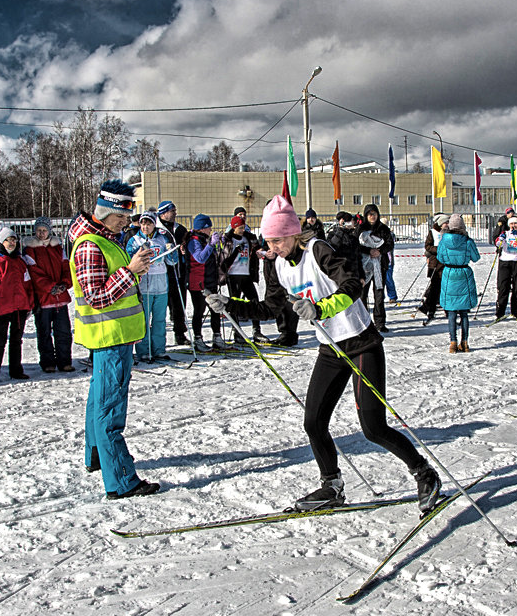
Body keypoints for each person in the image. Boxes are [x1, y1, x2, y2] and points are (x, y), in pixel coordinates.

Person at [207, 195, 440, 512]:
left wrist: (319, 307)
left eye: (277, 240)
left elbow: (352, 286)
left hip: (361, 343)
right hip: (330, 348)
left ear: (291, 233)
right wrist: (230, 306)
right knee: (314, 422)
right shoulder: (276, 265)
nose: (272, 247)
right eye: (269, 241)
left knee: (373, 428)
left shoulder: (318, 249)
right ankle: (331, 486)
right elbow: (271, 306)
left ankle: (425, 474)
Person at [68, 179, 159, 499]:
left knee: (98, 401)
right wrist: (131, 272)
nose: (126, 223)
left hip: (113, 336)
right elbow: (96, 296)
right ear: (104, 213)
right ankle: (121, 480)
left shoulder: (105, 240)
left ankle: (97, 457)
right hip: (109, 337)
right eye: (121, 217)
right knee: (110, 409)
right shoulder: (90, 245)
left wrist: (134, 270)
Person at [0, 227, 33, 385]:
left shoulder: (20, 261)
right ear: (1, 242)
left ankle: (16, 370)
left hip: (19, 308)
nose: (11, 243)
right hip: (1, 309)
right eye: (8, 240)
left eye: (14, 240)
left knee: (17, 341)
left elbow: (27, 285)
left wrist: (29, 305)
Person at [124, 212, 178, 362]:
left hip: (161, 285)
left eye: (148, 224)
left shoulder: (162, 239)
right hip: (144, 285)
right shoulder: (135, 240)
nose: (145, 227)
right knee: (144, 320)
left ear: (154, 224)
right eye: (143, 224)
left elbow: (172, 262)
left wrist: (171, 251)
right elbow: (129, 258)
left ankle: (159, 349)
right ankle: (143, 350)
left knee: (160, 320)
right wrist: (139, 251)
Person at [24, 217, 74, 373]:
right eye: (38, 230)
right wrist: (51, 287)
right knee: (44, 332)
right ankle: (47, 362)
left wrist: (64, 284)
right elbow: (35, 273)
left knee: (63, 332)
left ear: (49, 231)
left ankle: (64, 361)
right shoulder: (30, 250)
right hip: (43, 298)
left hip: (60, 298)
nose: (41, 233)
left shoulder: (58, 248)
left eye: (44, 230)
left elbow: (67, 267)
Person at [220, 214, 269, 343]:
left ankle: (256, 330)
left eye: (244, 227)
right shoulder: (229, 240)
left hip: (246, 275)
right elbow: (224, 263)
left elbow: (257, 248)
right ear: (234, 228)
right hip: (233, 276)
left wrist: (262, 252)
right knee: (235, 303)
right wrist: (236, 251)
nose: (242, 230)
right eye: (240, 228)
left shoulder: (248, 239)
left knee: (254, 301)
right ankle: (237, 332)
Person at [437, 213, 479, 352]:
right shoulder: (467, 241)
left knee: (452, 311)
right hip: (464, 274)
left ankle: (453, 342)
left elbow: (440, 257)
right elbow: (475, 257)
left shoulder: (444, 240)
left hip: (449, 274)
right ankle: (465, 342)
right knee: (464, 312)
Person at [187, 214, 224, 350]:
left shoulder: (204, 240)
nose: (210, 230)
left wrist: (219, 244)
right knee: (199, 310)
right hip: (198, 281)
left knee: (216, 309)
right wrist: (211, 245)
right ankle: (197, 338)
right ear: (202, 228)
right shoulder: (194, 241)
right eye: (208, 227)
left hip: (210, 279)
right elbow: (200, 258)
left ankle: (217, 336)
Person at [156, 200, 190, 346]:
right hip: (161, 273)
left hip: (178, 272)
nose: (175, 213)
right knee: (160, 306)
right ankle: (158, 336)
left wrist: (184, 249)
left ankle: (180, 333)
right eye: (172, 211)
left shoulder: (180, 229)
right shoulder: (156, 228)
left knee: (179, 303)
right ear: (163, 213)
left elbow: (187, 245)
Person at [358, 204, 394, 332]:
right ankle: (364, 322)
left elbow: (390, 244)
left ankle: (380, 322)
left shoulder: (383, 228)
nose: (372, 216)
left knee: (379, 295)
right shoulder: (361, 229)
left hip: (380, 265)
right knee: (363, 295)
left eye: (374, 214)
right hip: (364, 267)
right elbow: (356, 245)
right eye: (369, 214)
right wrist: (369, 251)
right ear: (366, 215)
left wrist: (380, 250)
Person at [494, 215, 517, 320]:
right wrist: (500, 239)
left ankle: (515, 311)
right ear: (509, 225)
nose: (513, 226)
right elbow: (498, 243)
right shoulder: (505, 233)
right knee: (503, 287)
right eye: (512, 224)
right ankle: (500, 312)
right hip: (505, 262)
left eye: (515, 224)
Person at [416, 213, 449, 321]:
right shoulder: (433, 232)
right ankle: (430, 309)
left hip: (446, 264)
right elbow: (428, 246)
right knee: (435, 288)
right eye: (445, 223)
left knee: (445, 288)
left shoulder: (449, 232)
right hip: (435, 264)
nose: (447, 224)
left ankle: (447, 310)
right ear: (440, 223)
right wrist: (438, 249)